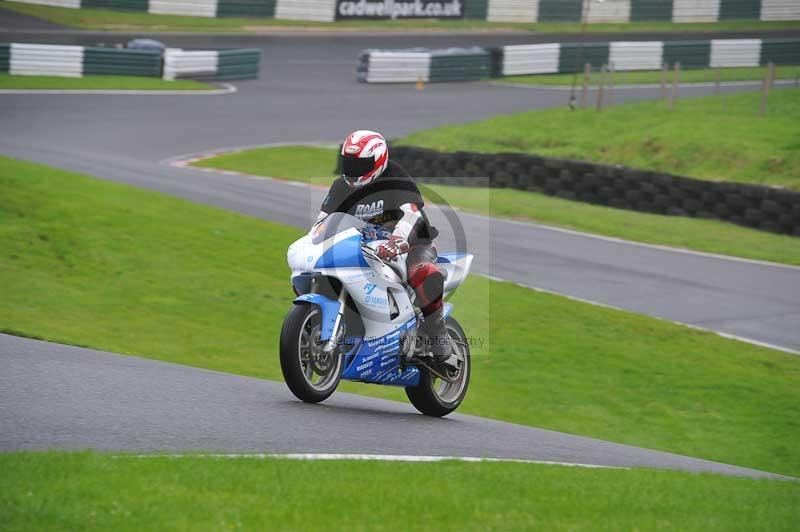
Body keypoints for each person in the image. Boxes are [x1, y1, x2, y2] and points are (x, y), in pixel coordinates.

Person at [313, 130, 450, 362]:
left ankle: (438, 334)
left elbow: (411, 213)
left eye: (361, 164)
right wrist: (314, 241)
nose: (354, 171)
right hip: (363, 246)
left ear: (378, 161)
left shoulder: (395, 176)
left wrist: (397, 240)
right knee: (322, 272)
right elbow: (323, 222)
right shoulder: (340, 186)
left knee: (423, 273)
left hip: (412, 245)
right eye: (349, 163)